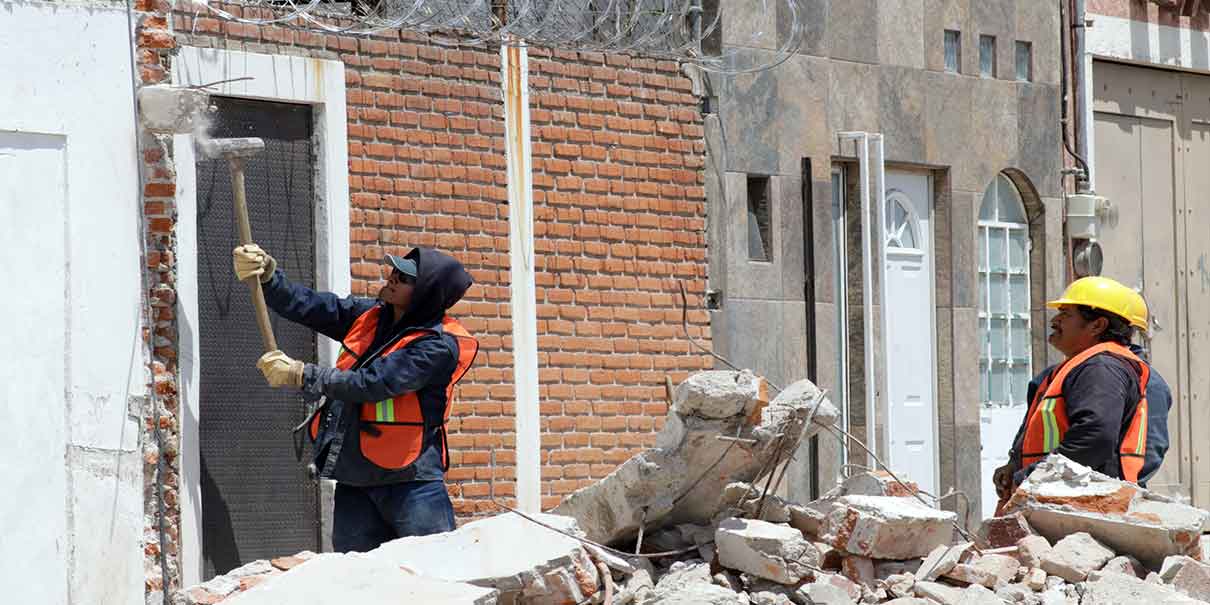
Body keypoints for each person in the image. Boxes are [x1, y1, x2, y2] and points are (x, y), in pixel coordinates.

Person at [233, 244, 478, 552]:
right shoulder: (371, 317)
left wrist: (301, 373)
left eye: (404, 278)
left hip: (412, 485)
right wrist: (269, 278)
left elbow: (373, 384)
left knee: (431, 578)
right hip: (356, 480)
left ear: (426, 292)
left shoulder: (437, 347)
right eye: (394, 271)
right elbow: (312, 306)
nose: (392, 278)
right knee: (355, 580)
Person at [992, 276, 1152, 510]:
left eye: (1066, 314)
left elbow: (1093, 438)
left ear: (1097, 325)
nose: (1055, 320)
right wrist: (1015, 464)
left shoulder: (1101, 367)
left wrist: (1030, 477)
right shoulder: (1078, 366)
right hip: (1060, 500)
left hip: (1083, 505)